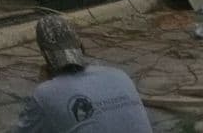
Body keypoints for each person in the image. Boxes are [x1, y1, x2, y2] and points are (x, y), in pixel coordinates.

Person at [11, 14, 153, 131]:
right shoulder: (119, 75)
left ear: (45, 55)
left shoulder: (45, 93)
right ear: (80, 47)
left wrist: (44, 86)